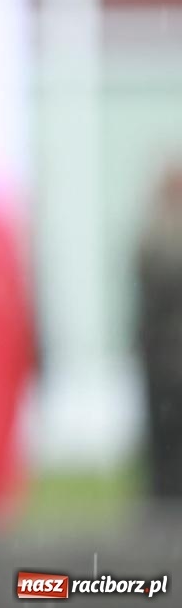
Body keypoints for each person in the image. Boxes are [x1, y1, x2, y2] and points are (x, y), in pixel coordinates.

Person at [137, 163, 182, 499]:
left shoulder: (155, 235)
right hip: (162, 360)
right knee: (163, 443)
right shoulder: (155, 235)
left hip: (164, 358)